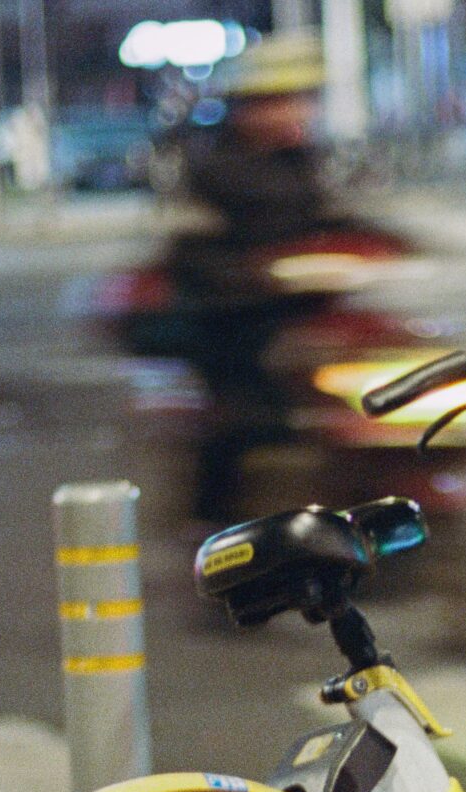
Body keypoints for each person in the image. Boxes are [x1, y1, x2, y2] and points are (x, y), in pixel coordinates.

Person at [163, 33, 339, 522]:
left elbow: (329, 223)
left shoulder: (299, 162)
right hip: (230, 324)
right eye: (283, 102)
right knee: (245, 417)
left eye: (303, 101)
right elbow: (195, 259)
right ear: (250, 109)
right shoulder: (212, 170)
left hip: (301, 313)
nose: (298, 113)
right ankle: (212, 525)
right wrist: (261, 278)